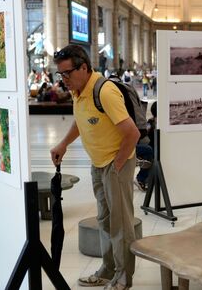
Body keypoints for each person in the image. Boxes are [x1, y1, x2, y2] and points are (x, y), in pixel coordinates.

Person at [50, 45, 140, 290]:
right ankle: (108, 268)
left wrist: (118, 164)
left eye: (67, 73)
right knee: (105, 219)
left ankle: (123, 276)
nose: (63, 80)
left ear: (84, 67)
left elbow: (132, 133)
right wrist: (63, 143)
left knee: (121, 222)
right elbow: (81, 121)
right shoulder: (78, 91)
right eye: (60, 75)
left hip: (115, 163)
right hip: (98, 163)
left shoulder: (105, 92)